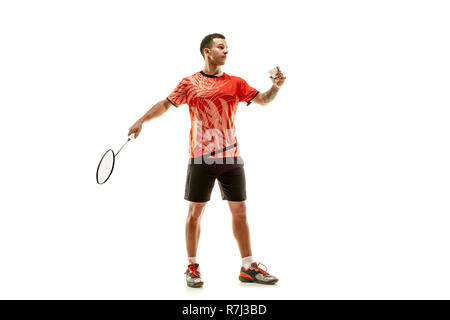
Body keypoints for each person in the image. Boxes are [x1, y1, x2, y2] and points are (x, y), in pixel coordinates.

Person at [128, 33, 286, 288]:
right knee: (195, 214)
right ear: (206, 51)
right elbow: (166, 105)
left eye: (227, 47)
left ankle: (248, 267)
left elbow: (263, 100)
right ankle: (192, 266)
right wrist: (141, 121)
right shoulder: (190, 83)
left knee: (240, 212)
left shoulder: (236, 83)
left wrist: (276, 87)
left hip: (231, 158)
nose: (226, 51)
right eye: (221, 47)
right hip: (201, 158)